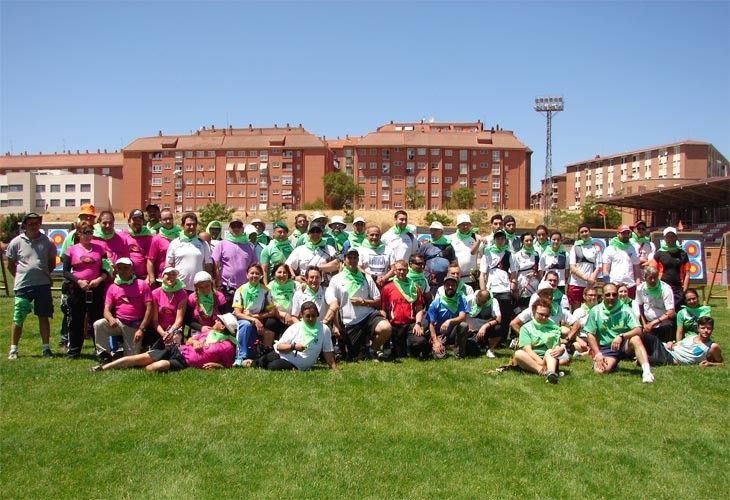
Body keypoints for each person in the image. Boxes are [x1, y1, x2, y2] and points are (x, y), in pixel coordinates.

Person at [90, 313, 238, 372]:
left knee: (155, 367)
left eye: (219, 320)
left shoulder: (227, 346)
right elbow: (191, 339)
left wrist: (218, 366)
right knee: (140, 358)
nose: (216, 320)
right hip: (178, 350)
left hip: (185, 362)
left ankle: (135, 368)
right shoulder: (209, 332)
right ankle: (103, 368)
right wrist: (194, 342)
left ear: (223, 326)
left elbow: (229, 365)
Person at [324, 247, 392, 360]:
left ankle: (372, 349)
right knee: (354, 357)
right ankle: (361, 350)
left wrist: (364, 302)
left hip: (368, 315)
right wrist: (335, 325)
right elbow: (334, 304)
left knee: (386, 328)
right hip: (349, 321)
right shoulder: (336, 279)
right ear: (344, 260)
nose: (352, 260)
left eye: (355, 258)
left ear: (358, 259)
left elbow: (378, 301)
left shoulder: (366, 277)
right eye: (349, 257)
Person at [6, 213, 58, 359]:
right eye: (30, 223)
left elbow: (52, 263)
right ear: (25, 225)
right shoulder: (16, 242)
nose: (34, 226)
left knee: (43, 316)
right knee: (19, 317)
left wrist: (42, 274)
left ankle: (46, 348)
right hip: (23, 286)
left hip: (43, 285)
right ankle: (13, 349)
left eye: (36, 223)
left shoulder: (48, 242)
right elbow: (10, 264)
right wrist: (20, 276)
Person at [583, 283, 655, 383]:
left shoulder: (626, 309)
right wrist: (598, 354)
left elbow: (638, 329)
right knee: (599, 371)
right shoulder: (595, 311)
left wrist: (621, 336)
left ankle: (647, 372)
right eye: (608, 295)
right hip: (607, 348)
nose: (611, 297)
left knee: (636, 339)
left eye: (614, 294)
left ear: (617, 295)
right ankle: (613, 364)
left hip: (624, 345)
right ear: (602, 296)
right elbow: (590, 334)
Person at [241, 301, 337, 371]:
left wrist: (334, 368)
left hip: (298, 363)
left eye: (313, 315)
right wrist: (294, 347)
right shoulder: (296, 327)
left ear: (317, 315)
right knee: (264, 360)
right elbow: (279, 346)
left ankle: (255, 363)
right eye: (307, 316)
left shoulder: (324, 329)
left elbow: (328, 352)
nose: (311, 318)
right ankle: (253, 363)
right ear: (302, 315)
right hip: (284, 352)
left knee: (273, 366)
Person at [62, 221, 109, 359]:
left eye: (90, 232)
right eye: (85, 232)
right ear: (79, 233)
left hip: (95, 288)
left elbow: (106, 269)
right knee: (76, 320)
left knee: (96, 320)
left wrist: (99, 280)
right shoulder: (71, 249)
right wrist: (78, 281)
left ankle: (100, 350)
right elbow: (65, 272)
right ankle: (74, 351)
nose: (88, 236)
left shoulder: (100, 249)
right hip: (77, 290)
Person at [93, 258, 152, 362]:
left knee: (131, 360)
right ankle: (104, 355)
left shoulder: (142, 284)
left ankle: (126, 350)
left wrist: (141, 329)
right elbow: (106, 309)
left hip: (134, 325)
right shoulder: (112, 287)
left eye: (126, 268)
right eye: (119, 268)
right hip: (118, 322)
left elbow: (149, 308)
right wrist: (110, 318)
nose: (122, 270)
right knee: (99, 324)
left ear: (132, 269)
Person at [58, 203, 98, 348]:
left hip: (94, 286)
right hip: (75, 285)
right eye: (84, 216)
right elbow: (65, 259)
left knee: (93, 316)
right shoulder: (71, 237)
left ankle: (95, 344)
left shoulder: (96, 236)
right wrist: (78, 278)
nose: (87, 218)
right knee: (72, 315)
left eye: (90, 217)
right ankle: (66, 340)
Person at [232, 264, 278, 365]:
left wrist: (257, 317)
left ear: (261, 275)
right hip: (243, 320)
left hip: (258, 318)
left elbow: (272, 312)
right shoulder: (240, 290)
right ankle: (241, 356)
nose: (254, 275)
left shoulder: (266, 290)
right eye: (252, 273)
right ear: (247, 275)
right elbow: (238, 313)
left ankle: (263, 353)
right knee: (246, 324)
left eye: (257, 273)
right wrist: (253, 320)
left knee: (271, 323)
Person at [380, 259, 426, 359]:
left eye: (404, 270)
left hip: (410, 324)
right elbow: (383, 309)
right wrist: (385, 322)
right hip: (394, 325)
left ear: (407, 271)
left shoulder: (414, 287)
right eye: (399, 270)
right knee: (397, 355)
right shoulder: (387, 288)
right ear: (395, 271)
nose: (401, 272)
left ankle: (413, 350)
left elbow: (419, 309)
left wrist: (418, 324)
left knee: (420, 341)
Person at [511, 298, 565, 383]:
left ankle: (550, 372)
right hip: (531, 358)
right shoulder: (526, 328)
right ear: (533, 312)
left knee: (550, 351)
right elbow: (527, 349)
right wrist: (540, 362)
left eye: (547, 315)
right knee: (518, 353)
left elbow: (556, 347)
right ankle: (545, 372)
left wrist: (561, 350)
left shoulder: (554, 327)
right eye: (541, 314)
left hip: (549, 359)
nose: (544, 317)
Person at [479, 229, 516, 345]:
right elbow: (482, 274)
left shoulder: (509, 254)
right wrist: (483, 290)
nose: (500, 240)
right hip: (491, 290)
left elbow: (514, 273)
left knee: (505, 316)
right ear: (494, 240)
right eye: (498, 238)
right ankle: (487, 339)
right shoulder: (487, 253)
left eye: (502, 238)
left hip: (505, 290)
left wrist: (513, 286)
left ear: (505, 240)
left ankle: (503, 340)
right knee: (491, 316)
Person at [641, 316, 722, 367]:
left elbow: (721, 363)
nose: (706, 331)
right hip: (665, 348)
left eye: (709, 328)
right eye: (703, 328)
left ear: (712, 329)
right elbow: (677, 344)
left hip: (671, 359)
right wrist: (671, 342)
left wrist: (710, 364)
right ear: (698, 329)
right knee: (643, 335)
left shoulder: (712, 346)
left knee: (644, 360)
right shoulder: (691, 337)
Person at [211, 218, 256, 305]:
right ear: (229, 229)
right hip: (226, 287)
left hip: (245, 288)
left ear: (242, 229)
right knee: (228, 316)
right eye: (233, 226)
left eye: (238, 226)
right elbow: (215, 265)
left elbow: (253, 266)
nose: (236, 229)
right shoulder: (221, 244)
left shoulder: (249, 246)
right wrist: (217, 284)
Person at [166, 212, 215, 292]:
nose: (191, 227)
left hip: (199, 288)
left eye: (194, 224)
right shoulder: (174, 243)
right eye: (188, 224)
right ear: (182, 225)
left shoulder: (203, 243)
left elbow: (208, 266)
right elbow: (169, 265)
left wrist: (211, 284)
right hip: (179, 288)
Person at [426, 275, 469, 359]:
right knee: (439, 356)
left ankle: (459, 354)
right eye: (448, 285)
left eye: (453, 285)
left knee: (464, 325)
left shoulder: (460, 298)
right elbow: (431, 324)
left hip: (453, 332)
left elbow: (463, 317)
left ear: (456, 286)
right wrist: (435, 341)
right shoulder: (437, 302)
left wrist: (449, 321)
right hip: (440, 334)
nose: (450, 287)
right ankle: (437, 347)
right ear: (444, 286)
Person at [633, 266, 676, 342]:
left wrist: (653, 323)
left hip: (663, 323)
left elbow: (670, 312)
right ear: (644, 278)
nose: (653, 280)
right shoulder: (640, 289)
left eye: (655, 277)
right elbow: (640, 306)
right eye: (650, 278)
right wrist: (644, 324)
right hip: (648, 324)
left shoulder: (665, 289)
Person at [651, 226, 690, 309]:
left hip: (678, 288)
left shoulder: (683, 254)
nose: (670, 239)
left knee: (676, 311)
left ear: (676, 238)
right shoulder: (659, 254)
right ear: (664, 238)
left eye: (672, 236)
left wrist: (685, 289)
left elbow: (687, 273)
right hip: (662, 287)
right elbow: (652, 271)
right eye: (667, 236)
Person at [567, 224, 602, 310]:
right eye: (582, 232)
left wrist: (591, 279)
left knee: (591, 309)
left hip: (590, 285)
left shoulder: (595, 247)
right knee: (576, 310)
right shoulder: (575, 247)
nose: (584, 233)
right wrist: (586, 278)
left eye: (586, 231)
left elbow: (598, 266)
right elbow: (572, 267)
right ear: (579, 234)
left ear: (589, 232)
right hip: (576, 283)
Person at [151, 267, 187, 347]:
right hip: (158, 329)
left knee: (174, 343)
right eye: (168, 274)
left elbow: (179, 320)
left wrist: (170, 332)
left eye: (173, 274)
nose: (171, 276)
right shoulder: (155, 293)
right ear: (162, 277)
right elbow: (154, 320)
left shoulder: (182, 293)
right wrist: (163, 333)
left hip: (175, 329)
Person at [602, 224, 641, 298]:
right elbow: (605, 270)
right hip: (614, 286)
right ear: (618, 234)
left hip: (630, 285)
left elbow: (637, 270)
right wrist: (608, 285)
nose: (626, 235)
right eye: (623, 233)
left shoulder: (634, 248)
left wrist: (638, 286)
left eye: (627, 233)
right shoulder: (610, 249)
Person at [419, 221, 456, 295]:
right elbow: (419, 261)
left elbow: (453, 262)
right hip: (429, 279)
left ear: (441, 232)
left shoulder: (448, 246)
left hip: (444, 279)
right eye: (431, 230)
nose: (433, 232)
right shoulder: (425, 246)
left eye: (435, 230)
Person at [265, 263, 298, 339]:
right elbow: (270, 308)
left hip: (294, 317)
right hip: (277, 316)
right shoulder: (268, 288)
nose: (282, 275)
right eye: (279, 272)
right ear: (274, 274)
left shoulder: (295, 285)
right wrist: (284, 315)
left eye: (284, 272)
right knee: (270, 323)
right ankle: (267, 349)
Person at [147, 209, 181, 282]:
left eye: (170, 219)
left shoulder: (180, 236)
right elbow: (150, 261)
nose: (168, 221)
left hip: (179, 277)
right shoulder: (156, 239)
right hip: (162, 277)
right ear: (160, 221)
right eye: (165, 219)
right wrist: (151, 277)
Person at [466, 290, 502, 358]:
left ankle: (490, 349)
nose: (482, 304)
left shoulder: (493, 301)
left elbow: (498, 319)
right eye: (480, 301)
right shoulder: (468, 300)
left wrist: (484, 326)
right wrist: (466, 328)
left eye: (485, 302)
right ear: (476, 297)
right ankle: (480, 345)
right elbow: (461, 316)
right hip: (471, 331)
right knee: (473, 352)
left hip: (485, 330)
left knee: (498, 328)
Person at [449, 214, 481, 287]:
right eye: (463, 224)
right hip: (455, 278)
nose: (465, 227)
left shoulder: (477, 238)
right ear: (458, 226)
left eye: (467, 224)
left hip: (472, 279)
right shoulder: (451, 238)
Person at [124, 209, 154, 286]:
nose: (137, 222)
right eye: (134, 219)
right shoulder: (122, 235)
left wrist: (149, 276)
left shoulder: (148, 237)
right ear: (129, 221)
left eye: (140, 219)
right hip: (125, 278)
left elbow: (151, 259)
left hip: (143, 278)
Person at [511, 232, 540, 310]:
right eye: (527, 241)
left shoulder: (537, 255)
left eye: (531, 240)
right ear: (522, 242)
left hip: (535, 285)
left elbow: (540, 270)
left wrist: (534, 274)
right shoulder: (517, 255)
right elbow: (514, 273)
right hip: (522, 286)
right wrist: (515, 289)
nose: (529, 242)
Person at [260, 220, 293, 285]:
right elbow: (264, 270)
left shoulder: (291, 248)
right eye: (280, 232)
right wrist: (266, 287)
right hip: (273, 283)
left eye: (284, 232)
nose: (282, 234)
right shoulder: (268, 249)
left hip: (289, 283)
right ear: (273, 233)